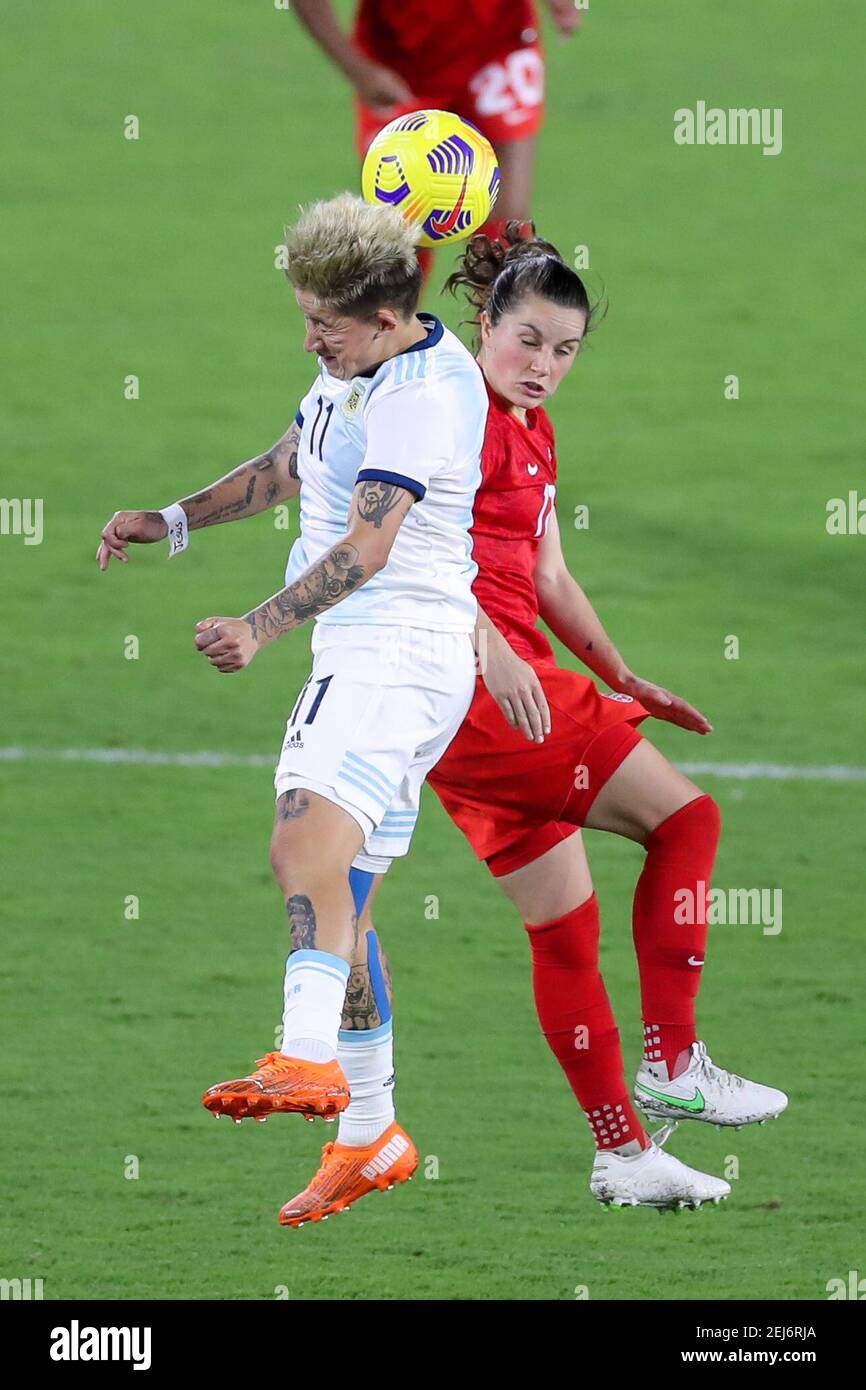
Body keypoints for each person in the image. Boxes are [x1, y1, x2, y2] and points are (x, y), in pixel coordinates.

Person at [278, 225, 788, 1225]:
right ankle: (673, 1059)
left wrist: (621, 669)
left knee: (565, 929)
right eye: (528, 341)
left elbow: (547, 572)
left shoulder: (531, 427)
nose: (544, 366)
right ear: (484, 324)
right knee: (686, 824)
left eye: (564, 350)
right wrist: (489, 646)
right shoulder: (448, 411)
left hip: (490, 706)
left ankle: (624, 1156)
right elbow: (404, 545)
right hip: (478, 691)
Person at [96, 193, 543, 1201]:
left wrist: (258, 625)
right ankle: (371, 1136)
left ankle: (303, 1057)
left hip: (387, 651)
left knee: (300, 842)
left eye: (321, 323)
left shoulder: (422, 393)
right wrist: (170, 520)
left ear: (382, 317)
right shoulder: (357, 364)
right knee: (345, 904)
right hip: (398, 659)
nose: (308, 338)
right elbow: (292, 462)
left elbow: (368, 543)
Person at [291, 0, 585, 269]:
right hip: (402, 65)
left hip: (497, 45)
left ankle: (496, 323)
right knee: (400, 237)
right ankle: (396, 326)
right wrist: (359, 71)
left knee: (506, 232)